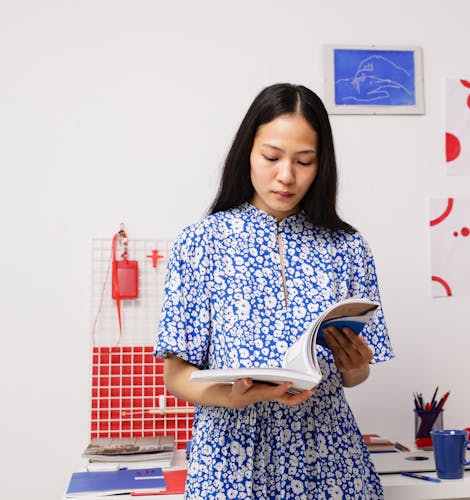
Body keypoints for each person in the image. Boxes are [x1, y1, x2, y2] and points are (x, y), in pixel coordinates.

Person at [154, 83, 394, 499]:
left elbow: (356, 376)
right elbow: (176, 376)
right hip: (231, 459)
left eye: (304, 161)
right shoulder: (201, 242)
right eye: (271, 157)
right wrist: (233, 398)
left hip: (329, 457)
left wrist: (354, 364)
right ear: (247, 151)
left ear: (322, 166)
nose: (286, 175)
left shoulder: (348, 246)